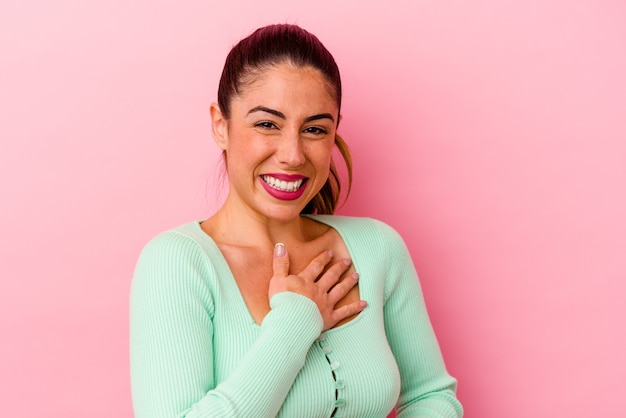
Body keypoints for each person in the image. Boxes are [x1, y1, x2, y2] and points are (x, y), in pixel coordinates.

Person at [130, 24, 463, 418]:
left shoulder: (378, 247)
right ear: (221, 125)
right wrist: (296, 321)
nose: (292, 154)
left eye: (314, 129)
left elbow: (431, 397)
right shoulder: (177, 264)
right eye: (267, 124)